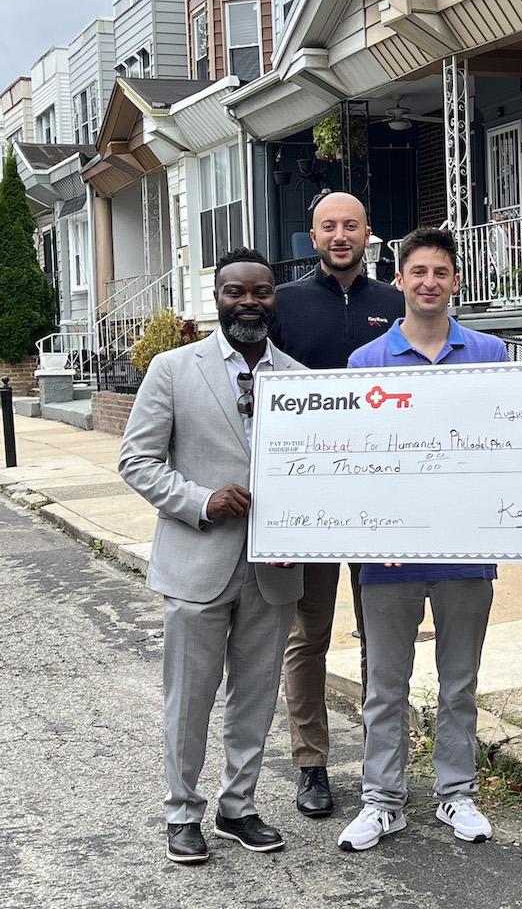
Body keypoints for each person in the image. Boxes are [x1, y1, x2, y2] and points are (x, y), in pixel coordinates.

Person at [118, 247, 304, 864]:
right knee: (189, 698)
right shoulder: (174, 369)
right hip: (198, 560)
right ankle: (181, 812)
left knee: (255, 695)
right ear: (216, 299)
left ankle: (238, 807)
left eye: (262, 291)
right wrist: (201, 500)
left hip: (274, 569)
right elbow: (137, 462)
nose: (249, 302)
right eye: (235, 292)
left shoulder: (300, 379)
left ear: (275, 298)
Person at [337, 226, 508, 852]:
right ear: (401, 280)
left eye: (441, 272)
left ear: (455, 280)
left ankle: (455, 794)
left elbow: (508, 447)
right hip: (390, 556)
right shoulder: (365, 364)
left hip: (467, 552)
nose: (429, 283)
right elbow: (353, 461)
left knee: (459, 681)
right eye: (418, 273)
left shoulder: (490, 356)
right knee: (385, 685)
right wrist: (365, 530)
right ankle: (382, 801)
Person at [268, 191, 405, 820]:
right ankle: (311, 764)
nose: (340, 235)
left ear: (368, 233)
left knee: (384, 630)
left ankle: (384, 758)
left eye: (351, 224)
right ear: (313, 235)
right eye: (329, 226)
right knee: (308, 634)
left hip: (382, 496)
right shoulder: (285, 304)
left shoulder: (396, 305)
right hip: (314, 499)